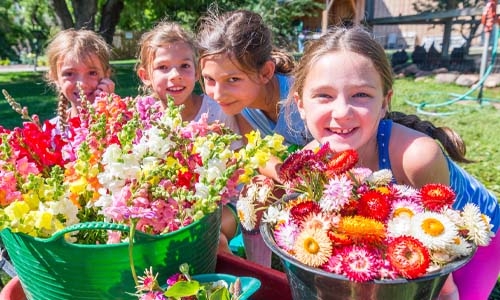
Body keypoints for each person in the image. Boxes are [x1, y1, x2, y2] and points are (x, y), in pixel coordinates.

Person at [290, 25, 500, 300]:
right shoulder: (311, 164)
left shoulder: (417, 157)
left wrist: (447, 294)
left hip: (474, 237)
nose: (341, 112)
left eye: (361, 95)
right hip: (405, 227)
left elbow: (442, 250)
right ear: (301, 105)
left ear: (384, 102)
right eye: (324, 96)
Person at [197, 9, 313, 265]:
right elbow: (258, 153)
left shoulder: (301, 97)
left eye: (233, 79)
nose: (218, 93)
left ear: (266, 72)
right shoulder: (241, 105)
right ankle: (260, 271)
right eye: (209, 79)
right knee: (254, 191)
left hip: (331, 177)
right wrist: (284, 175)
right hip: (297, 181)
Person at [135, 21, 243, 254]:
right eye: (163, 67)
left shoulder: (216, 111)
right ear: (145, 75)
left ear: (197, 72)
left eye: (184, 66)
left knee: (212, 232)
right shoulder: (143, 117)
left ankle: (229, 279)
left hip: (219, 205)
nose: (175, 76)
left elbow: (238, 166)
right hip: (164, 207)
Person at [45, 29, 115, 133]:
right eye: (69, 74)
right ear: (55, 78)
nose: (81, 84)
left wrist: (107, 109)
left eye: (92, 73)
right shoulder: (51, 131)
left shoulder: (120, 125)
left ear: (106, 75)